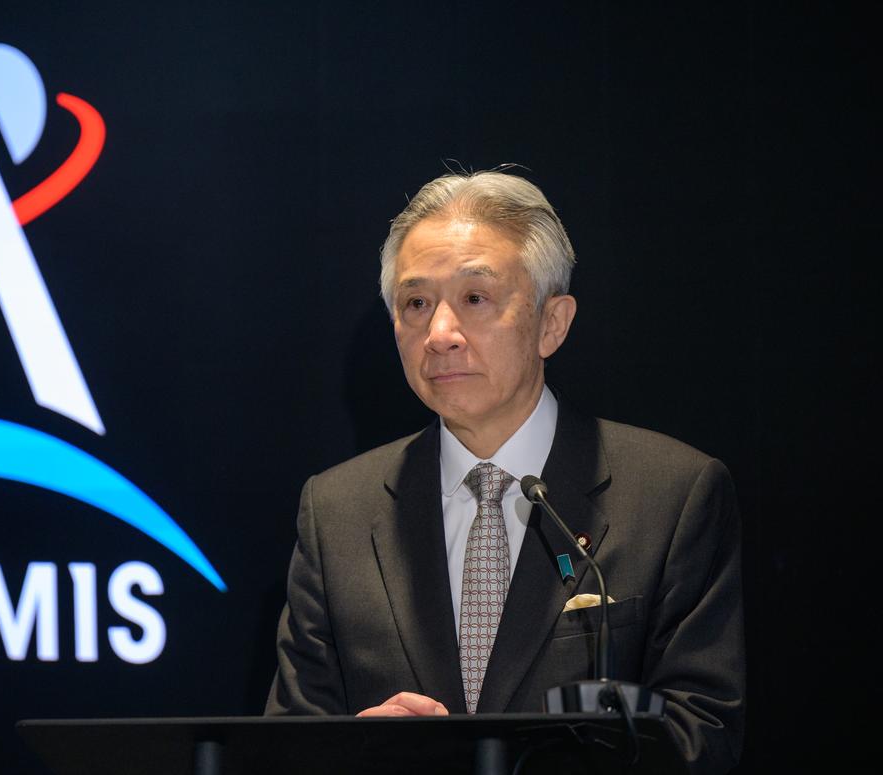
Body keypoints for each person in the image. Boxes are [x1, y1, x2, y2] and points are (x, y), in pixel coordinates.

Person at [264, 171, 744, 775]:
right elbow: (286, 748)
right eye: (416, 303)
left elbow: (702, 739)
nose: (440, 334)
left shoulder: (672, 495)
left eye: (475, 298)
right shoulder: (336, 511)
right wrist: (353, 750)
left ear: (553, 323)